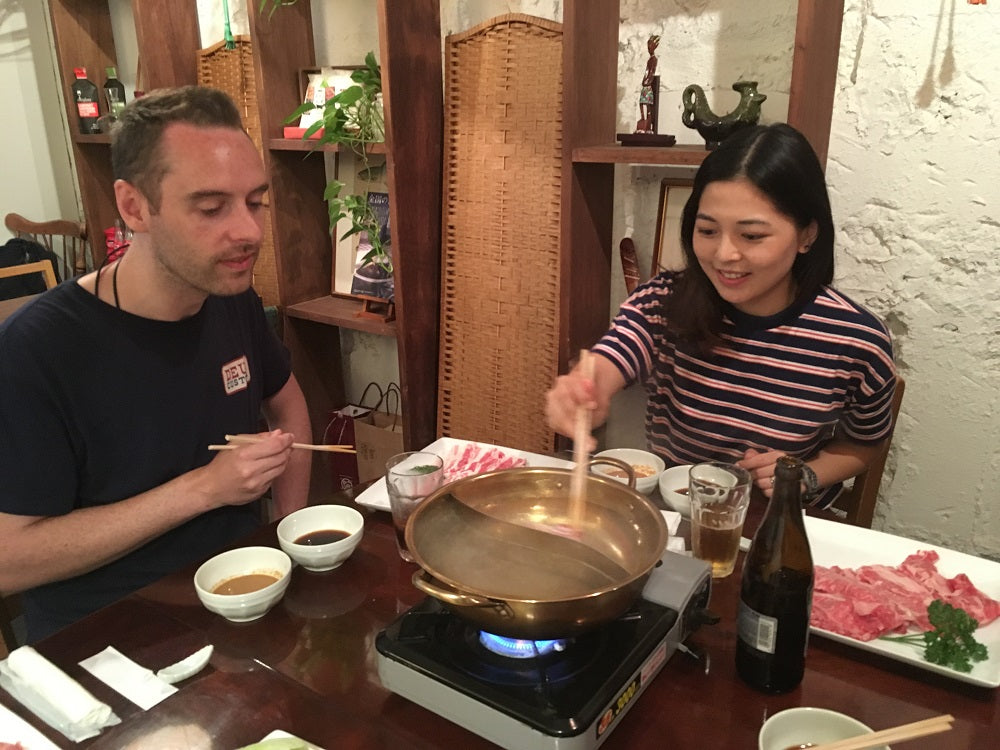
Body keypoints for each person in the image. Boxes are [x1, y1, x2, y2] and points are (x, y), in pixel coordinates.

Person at [0, 86, 312, 642]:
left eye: (255, 201)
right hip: (109, 640)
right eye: (211, 208)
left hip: (243, 600)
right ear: (133, 206)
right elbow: (9, 560)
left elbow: (285, 400)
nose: (249, 231)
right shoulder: (34, 351)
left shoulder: (229, 296)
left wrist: (286, 535)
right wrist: (203, 489)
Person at [546, 123, 897, 508]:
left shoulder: (856, 339)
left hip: (778, 523)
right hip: (676, 516)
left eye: (751, 236)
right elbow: (617, 352)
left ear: (807, 235)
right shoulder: (665, 302)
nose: (724, 255)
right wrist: (586, 388)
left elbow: (865, 443)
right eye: (708, 230)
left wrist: (806, 473)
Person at [635, 35, 661, 134]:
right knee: (642, 104)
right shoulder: (650, 59)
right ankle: (643, 120)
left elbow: (651, 72)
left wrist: (647, 81)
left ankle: (647, 123)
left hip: (648, 85)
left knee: (647, 105)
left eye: (650, 46)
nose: (648, 48)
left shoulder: (654, 60)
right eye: (648, 46)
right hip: (646, 85)